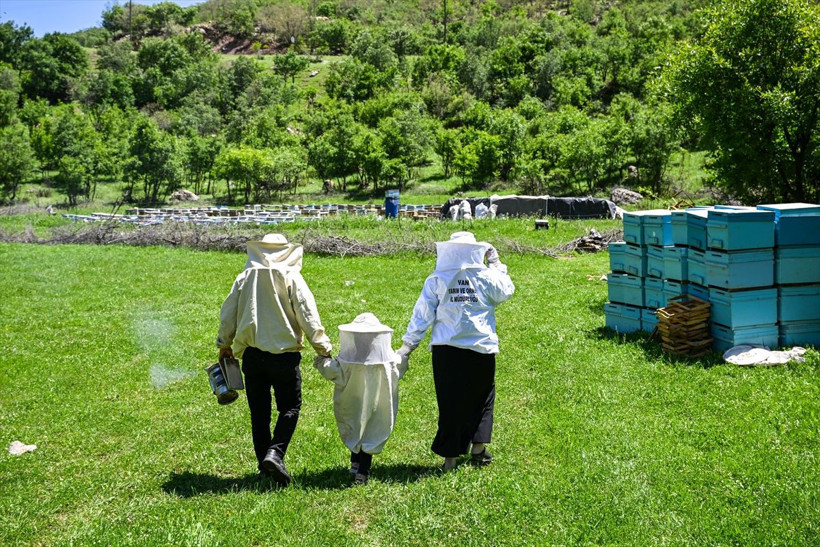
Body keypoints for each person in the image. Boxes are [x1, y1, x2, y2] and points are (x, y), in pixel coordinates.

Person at [216, 233, 332, 485]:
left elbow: (228, 313)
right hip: (284, 357)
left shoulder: (245, 277)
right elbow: (308, 315)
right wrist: (323, 348)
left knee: (259, 413)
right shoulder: (291, 276)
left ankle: (265, 465)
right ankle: (274, 455)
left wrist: (224, 344)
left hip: (252, 356)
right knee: (290, 407)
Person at [397, 232, 515, 469]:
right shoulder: (486, 276)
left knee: (450, 402)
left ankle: (450, 460)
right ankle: (478, 449)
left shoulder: (438, 278)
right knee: (483, 397)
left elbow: (422, 314)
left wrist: (408, 346)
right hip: (480, 347)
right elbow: (506, 290)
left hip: (447, 350)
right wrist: (495, 263)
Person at [314, 313, 407, 485]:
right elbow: (400, 366)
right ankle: (360, 470)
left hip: (352, 401)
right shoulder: (388, 362)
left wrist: (323, 359)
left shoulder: (347, 362)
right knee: (372, 429)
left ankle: (357, 466)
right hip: (378, 403)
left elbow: (332, 371)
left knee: (355, 425)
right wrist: (405, 352)